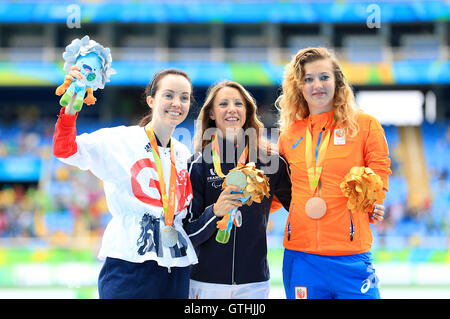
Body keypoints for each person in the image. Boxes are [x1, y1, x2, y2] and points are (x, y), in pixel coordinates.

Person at [52, 67, 198, 298]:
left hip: (177, 266)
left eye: (184, 97)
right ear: (151, 100)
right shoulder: (120, 140)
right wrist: (73, 102)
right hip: (129, 261)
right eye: (168, 95)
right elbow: (65, 149)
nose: (177, 103)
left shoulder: (183, 154)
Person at [276, 47, 391, 299]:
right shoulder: (289, 135)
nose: (317, 85)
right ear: (300, 87)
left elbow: (380, 171)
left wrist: (372, 200)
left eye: (324, 77)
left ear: (338, 81)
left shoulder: (365, 125)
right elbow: (280, 190)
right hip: (301, 257)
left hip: (350, 256)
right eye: (308, 79)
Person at [183, 80, 291, 299]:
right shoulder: (197, 165)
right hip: (205, 282)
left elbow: (299, 205)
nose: (231, 108)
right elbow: (188, 233)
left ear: (247, 112)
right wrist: (215, 212)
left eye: (238, 104)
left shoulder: (271, 162)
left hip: (254, 283)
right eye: (223, 104)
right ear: (212, 114)